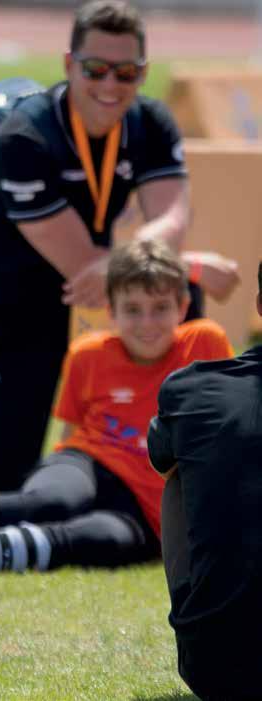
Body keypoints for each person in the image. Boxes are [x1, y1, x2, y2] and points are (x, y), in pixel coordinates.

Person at [0, 0, 239, 496]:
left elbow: (170, 219)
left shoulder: (151, 122)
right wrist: (187, 263)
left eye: (125, 73)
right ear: (69, 65)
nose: (110, 86)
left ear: (143, 73)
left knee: (174, 288)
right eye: (96, 70)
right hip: (8, 299)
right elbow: (82, 266)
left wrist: (132, 263)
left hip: (100, 271)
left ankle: (181, 463)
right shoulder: (21, 139)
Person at [0, 240, 234, 576]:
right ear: (110, 310)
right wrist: (57, 476)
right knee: (51, 502)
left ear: (183, 306)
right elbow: (69, 437)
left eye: (160, 308)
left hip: (146, 509)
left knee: (103, 541)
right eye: (132, 309)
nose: (147, 322)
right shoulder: (88, 353)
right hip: (88, 462)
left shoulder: (205, 342)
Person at [146, 263, 262, 701]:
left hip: (218, 668)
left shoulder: (191, 387)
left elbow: (158, 462)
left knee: (177, 470)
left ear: (259, 307)